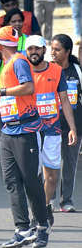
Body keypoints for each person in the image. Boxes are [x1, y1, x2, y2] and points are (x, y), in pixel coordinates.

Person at [0, 26, 51, 248]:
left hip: (25, 131)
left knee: (31, 181)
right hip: (9, 130)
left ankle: (41, 226)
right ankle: (22, 229)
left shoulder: (18, 61)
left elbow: (29, 88)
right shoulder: (6, 65)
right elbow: (14, 95)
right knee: (11, 181)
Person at [24, 35, 77, 218]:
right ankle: (38, 212)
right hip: (30, 130)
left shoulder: (55, 71)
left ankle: (44, 208)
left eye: (37, 48)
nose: (34, 52)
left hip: (52, 129)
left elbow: (64, 99)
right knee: (34, 175)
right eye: (30, 49)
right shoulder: (22, 71)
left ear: (43, 50)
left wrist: (72, 128)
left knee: (52, 176)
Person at [51, 34, 82, 212]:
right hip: (51, 126)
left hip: (74, 126)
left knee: (69, 164)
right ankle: (50, 199)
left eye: (57, 50)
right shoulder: (48, 70)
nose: (53, 53)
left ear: (67, 51)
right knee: (51, 163)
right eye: (52, 49)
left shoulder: (77, 71)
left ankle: (66, 201)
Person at [0, 0, 41, 65]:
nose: (11, 8)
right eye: (7, 5)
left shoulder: (29, 17)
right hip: (5, 63)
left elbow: (38, 36)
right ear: (2, 6)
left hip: (28, 60)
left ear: (17, 3)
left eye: (13, 4)